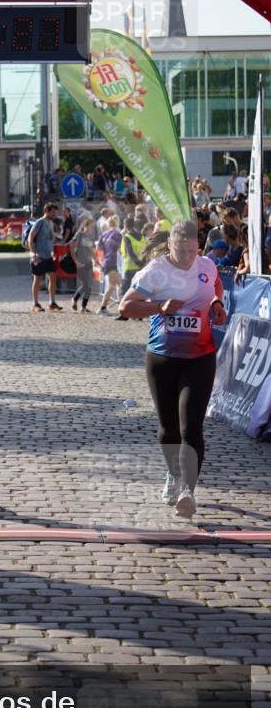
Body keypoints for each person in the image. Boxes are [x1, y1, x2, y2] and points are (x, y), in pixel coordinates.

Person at [118, 220, 226, 518]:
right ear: (170, 246)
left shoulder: (207, 265)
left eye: (193, 251)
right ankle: (172, 474)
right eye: (182, 251)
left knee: (192, 426)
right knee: (169, 430)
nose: (188, 258)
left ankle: (187, 490)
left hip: (200, 356)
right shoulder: (156, 271)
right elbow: (125, 307)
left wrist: (217, 304)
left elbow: (215, 286)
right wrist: (159, 306)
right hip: (162, 358)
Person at [28, 202, 62, 313]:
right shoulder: (39, 222)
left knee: (52, 277)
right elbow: (30, 237)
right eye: (52, 212)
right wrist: (32, 253)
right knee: (37, 279)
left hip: (48, 256)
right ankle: (35, 303)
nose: (54, 214)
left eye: (55, 212)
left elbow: (49, 240)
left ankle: (52, 302)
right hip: (38, 256)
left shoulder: (51, 223)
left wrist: (52, 252)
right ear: (46, 211)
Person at [115, 216, 146, 320]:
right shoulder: (141, 236)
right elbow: (145, 250)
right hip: (141, 267)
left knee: (124, 290)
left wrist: (137, 263)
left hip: (130, 267)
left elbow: (130, 252)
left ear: (125, 225)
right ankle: (140, 314)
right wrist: (142, 264)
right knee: (139, 290)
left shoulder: (127, 236)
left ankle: (124, 314)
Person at [69, 215, 97, 313]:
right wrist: (76, 262)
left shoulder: (91, 237)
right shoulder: (79, 234)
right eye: (91, 226)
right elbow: (71, 248)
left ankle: (83, 307)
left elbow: (91, 252)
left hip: (89, 263)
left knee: (89, 286)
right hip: (80, 262)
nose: (92, 229)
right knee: (85, 284)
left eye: (93, 227)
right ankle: (74, 299)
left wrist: (97, 262)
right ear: (85, 225)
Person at [97, 215, 122, 315]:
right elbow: (121, 249)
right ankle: (105, 308)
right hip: (113, 262)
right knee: (117, 285)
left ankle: (105, 308)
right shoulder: (118, 234)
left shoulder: (103, 234)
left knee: (115, 286)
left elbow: (99, 248)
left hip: (106, 261)